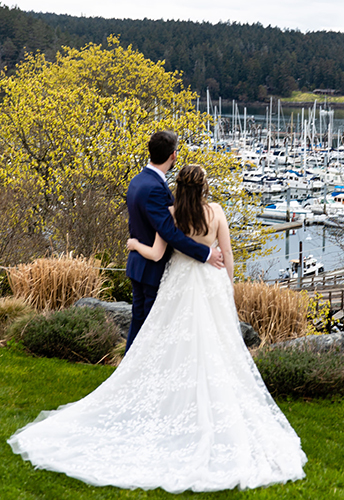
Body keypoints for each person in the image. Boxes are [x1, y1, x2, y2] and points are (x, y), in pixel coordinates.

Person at [7, 164, 307, 493]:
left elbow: (156, 252)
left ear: (179, 187)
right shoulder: (217, 212)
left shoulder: (171, 214)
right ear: (204, 187)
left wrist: (134, 244)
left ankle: (176, 404)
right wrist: (228, 287)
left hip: (178, 285)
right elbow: (228, 255)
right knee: (216, 348)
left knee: (169, 344)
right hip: (211, 287)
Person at [125, 130, 223, 352]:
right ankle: (140, 376)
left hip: (138, 264)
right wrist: (206, 253)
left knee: (138, 323)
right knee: (151, 329)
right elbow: (169, 232)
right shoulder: (154, 190)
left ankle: (127, 370)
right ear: (174, 155)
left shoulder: (137, 181)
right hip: (152, 269)